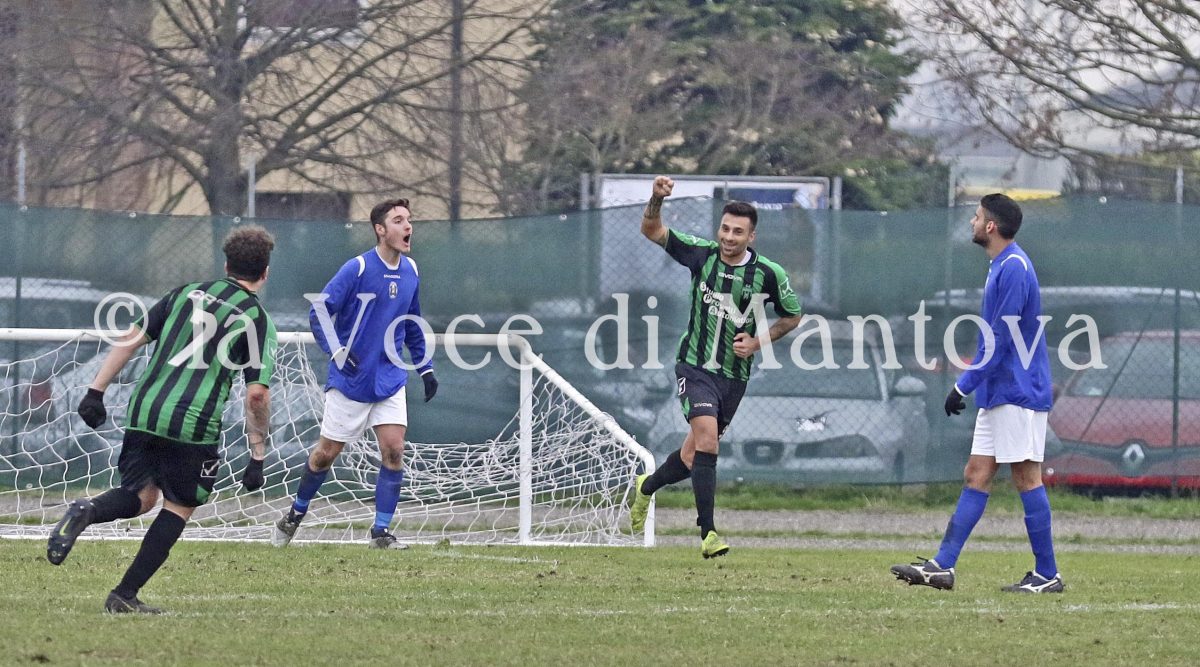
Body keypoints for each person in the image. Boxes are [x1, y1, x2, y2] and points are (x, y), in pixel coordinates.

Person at [47, 226, 278, 614]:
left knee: (142, 496)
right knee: (178, 506)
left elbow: (131, 337)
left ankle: (88, 509)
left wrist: (95, 391)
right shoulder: (256, 318)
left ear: (226, 265)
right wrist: (257, 455)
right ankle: (124, 594)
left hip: (144, 411)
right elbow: (257, 394)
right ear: (265, 272)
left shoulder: (185, 292)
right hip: (193, 424)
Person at [891, 193, 1062, 593]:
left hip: (1018, 391)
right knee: (977, 474)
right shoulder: (1000, 264)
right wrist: (973, 383)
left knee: (1027, 477)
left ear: (991, 226)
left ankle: (1047, 574)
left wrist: (962, 384)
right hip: (998, 390)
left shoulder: (1014, 266)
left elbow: (1002, 337)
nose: (972, 221)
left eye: (976, 215)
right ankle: (942, 566)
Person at [629, 176, 802, 558]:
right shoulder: (701, 254)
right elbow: (651, 229)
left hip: (734, 378)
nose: (728, 237)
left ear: (751, 237)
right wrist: (656, 198)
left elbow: (792, 316)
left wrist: (757, 342)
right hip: (694, 367)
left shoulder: (768, 273)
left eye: (737, 232)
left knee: (693, 456)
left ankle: (646, 486)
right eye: (725, 228)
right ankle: (708, 534)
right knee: (708, 440)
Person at [272, 197, 437, 550]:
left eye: (409, 219)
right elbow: (320, 311)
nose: (408, 226)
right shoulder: (358, 268)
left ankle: (380, 533)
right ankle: (295, 514)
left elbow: (412, 323)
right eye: (398, 220)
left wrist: (425, 367)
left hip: (390, 377)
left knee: (394, 450)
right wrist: (336, 351)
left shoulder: (412, 270)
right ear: (380, 229)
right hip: (352, 380)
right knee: (325, 454)